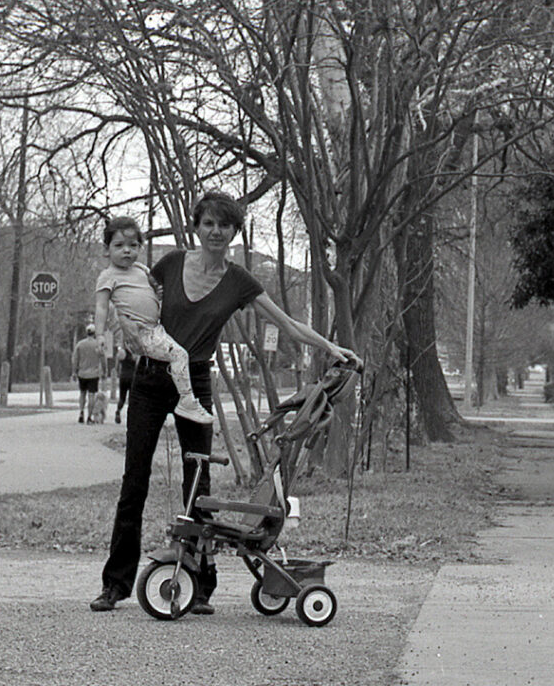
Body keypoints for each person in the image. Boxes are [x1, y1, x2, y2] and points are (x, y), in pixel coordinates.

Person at [90, 190, 358, 613]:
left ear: (234, 232)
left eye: (225, 225)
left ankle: (198, 585)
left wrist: (331, 347)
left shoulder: (238, 282)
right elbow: (130, 294)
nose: (215, 231)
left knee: (198, 485)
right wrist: (121, 331)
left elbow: (288, 324)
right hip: (149, 379)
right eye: (209, 223)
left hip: (195, 380)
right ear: (197, 227)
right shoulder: (170, 264)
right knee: (134, 482)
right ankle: (115, 584)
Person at [94, 216, 213, 425]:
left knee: (178, 351)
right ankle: (186, 400)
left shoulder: (141, 270)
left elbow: (153, 289)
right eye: (119, 246)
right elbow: (101, 307)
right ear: (107, 249)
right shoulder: (107, 276)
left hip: (157, 327)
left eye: (133, 245)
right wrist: (100, 335)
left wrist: (159, 294)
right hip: (141, 332)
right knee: (179, 355)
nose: (126, 251)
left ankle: (176, 396)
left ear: (140, 247)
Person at [71, 323, 103, 424]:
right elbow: (103, 359)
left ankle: (81, 412)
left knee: (82, 393)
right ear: (94, 333)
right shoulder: (97, 345)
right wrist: (104, 371)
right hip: (94, 374)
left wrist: (74, 372)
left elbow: (75, 359)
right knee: (91, 395)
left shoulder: (80, 344)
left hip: (82, 373)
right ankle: (89, 417)